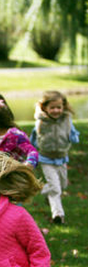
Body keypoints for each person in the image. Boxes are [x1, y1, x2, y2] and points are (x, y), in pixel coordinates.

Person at [30, 90, 80, 224]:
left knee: (62, 185)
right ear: (45, 108)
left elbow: (72, 131)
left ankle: (44, 190)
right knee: (56, 188)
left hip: (62, 158)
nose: (56, 110)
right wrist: (31, 151)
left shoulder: (66, 120)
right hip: (46, 159)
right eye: (52, 107)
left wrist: (74, 138)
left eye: (59, 107)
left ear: (63, 107)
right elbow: (35, 137)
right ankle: (58, 215)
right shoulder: (41, 122)